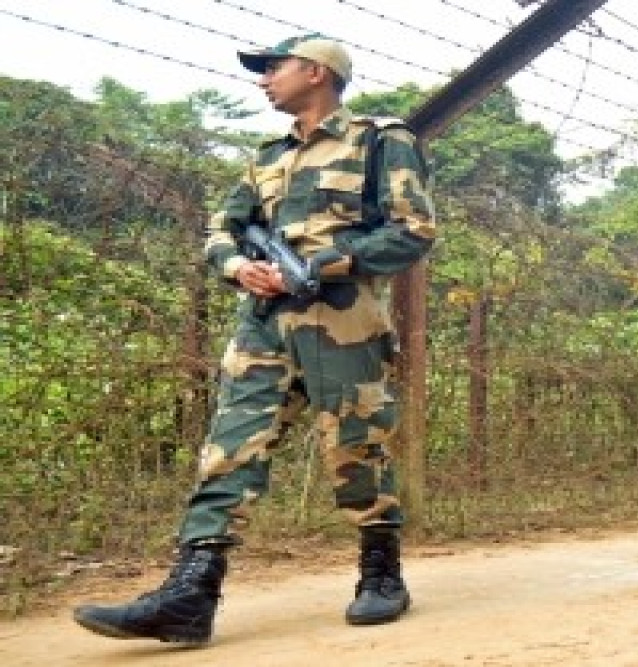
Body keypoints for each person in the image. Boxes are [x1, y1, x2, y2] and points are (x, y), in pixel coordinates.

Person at [74, 34, 436, 644]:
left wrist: (326, 263)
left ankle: (381, 576)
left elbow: (414, 231)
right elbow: (224, 227)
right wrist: (238, 267)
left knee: (355, 446)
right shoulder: (266, 156)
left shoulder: (380, 140)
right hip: (264, 322)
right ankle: (189, 595)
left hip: (341, 322)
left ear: (316, 72)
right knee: (228, 449)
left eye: (274, 68)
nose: (263, 79)